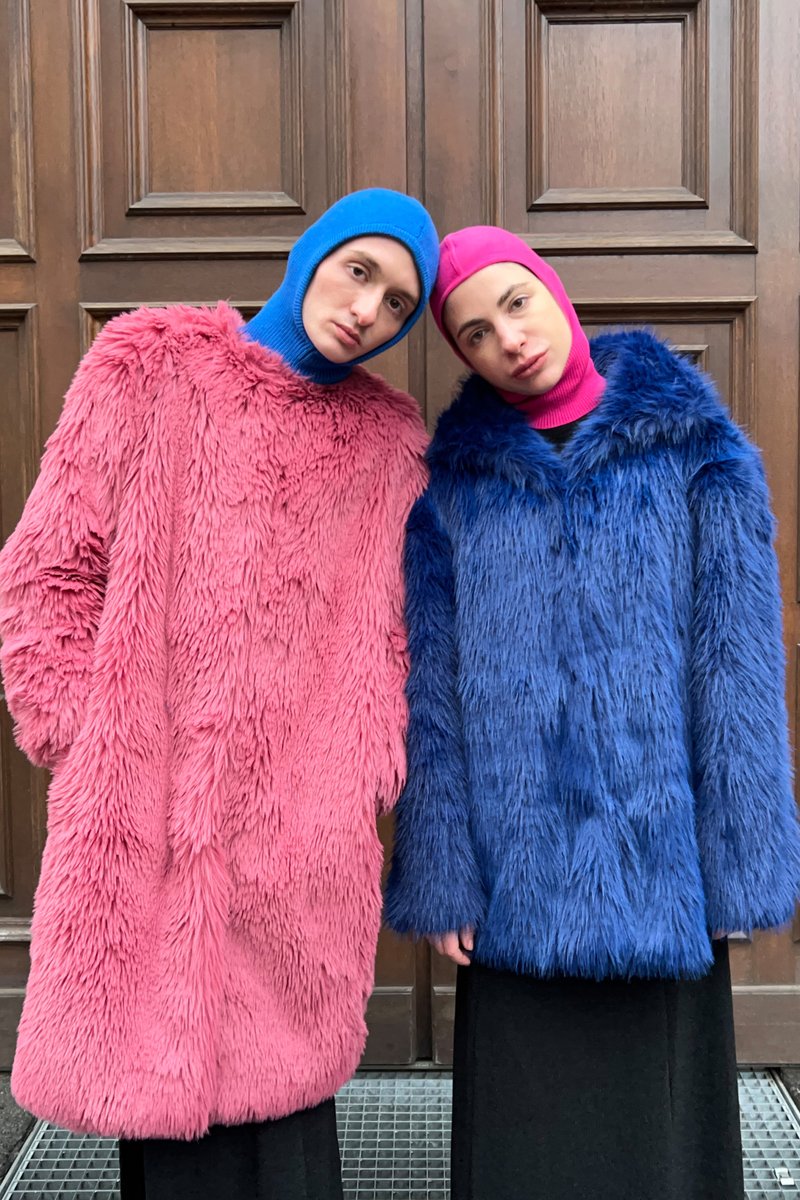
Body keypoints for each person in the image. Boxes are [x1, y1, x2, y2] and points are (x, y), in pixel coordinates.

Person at [0, 188, 438, 1200]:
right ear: (313, 252)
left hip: (298, 829)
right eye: (359, 270)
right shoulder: (149, 362)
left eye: (398, 303)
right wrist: (84, 733)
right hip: (135, 811)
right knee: (158, 1113)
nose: (367, 309)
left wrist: (353, 774)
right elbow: (50, 563)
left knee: (286, 1118)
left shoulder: (385, 445)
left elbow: (395, 636)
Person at [386, 225, 800, 1200]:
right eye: (474, 332)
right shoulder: (452, 491)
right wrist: (441, 873)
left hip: (659, 881)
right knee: (524, 1149)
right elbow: (431, 694)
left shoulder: (697, 455)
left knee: (653, 1147)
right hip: (513, 877)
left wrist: (735, 866)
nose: (506, 340)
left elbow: (736, 672)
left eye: (514, 304)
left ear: (550, 290)